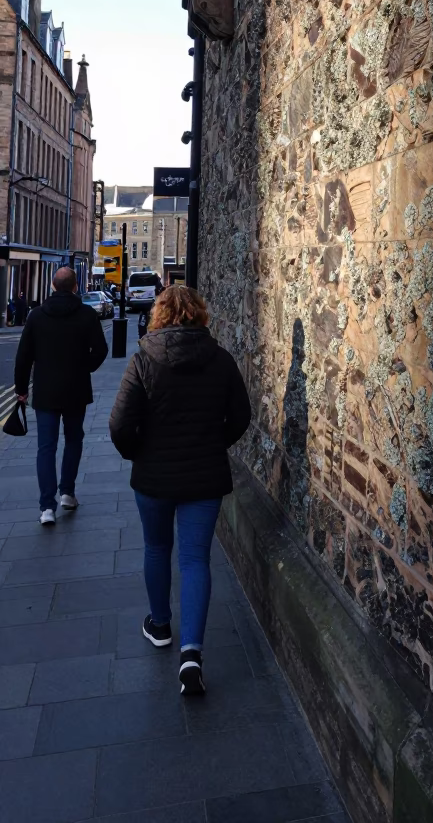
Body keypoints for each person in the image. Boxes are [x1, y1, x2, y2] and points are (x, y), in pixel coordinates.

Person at [109, 285, 251, 697]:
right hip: (203, 477)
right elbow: (241, 416)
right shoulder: (221, 360)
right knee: (194, 559)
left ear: (159, 315)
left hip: (153, 478)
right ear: (199, 315)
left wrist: (138, 452)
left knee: (157, 549)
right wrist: (213, 444)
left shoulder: (143, 360)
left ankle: (160, 625)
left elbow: (119, 425)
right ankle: (191, 654)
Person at [15, 266, 109, 525]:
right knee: (74, 439)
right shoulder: (87, 315)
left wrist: (21, 389)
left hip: (45, 390)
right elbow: (101, 350)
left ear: (53, 286)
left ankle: (47, 507)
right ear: (76, 286)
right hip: (76, 388)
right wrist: (84, 368)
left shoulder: (36, 316)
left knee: (46, 446)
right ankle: (67, 492)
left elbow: (23, 357)